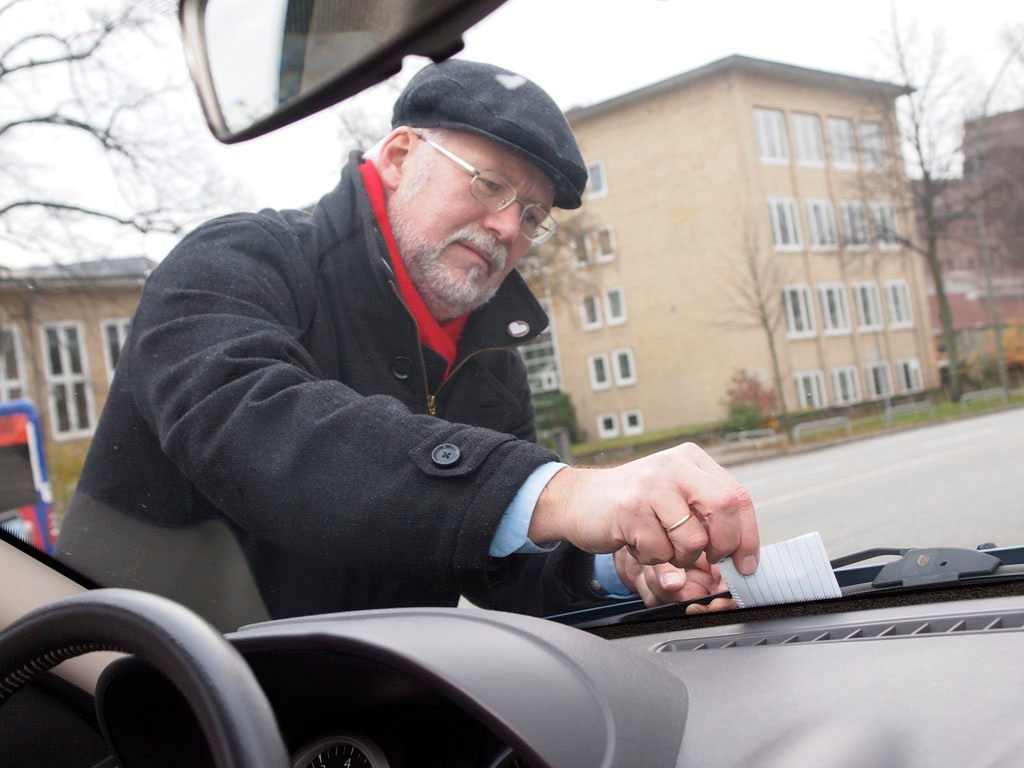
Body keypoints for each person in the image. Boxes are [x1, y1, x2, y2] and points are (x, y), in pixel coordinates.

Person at [56, 59, 759, 630]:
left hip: (366, 714)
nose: (510, 227)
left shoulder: (492, 363)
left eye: (534, 214)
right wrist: (559, 490)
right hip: (134, 696)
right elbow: (254, 431)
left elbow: (499, 560)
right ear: (398, 155)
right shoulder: (240, 260)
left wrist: (620, 569)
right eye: (491, 185)